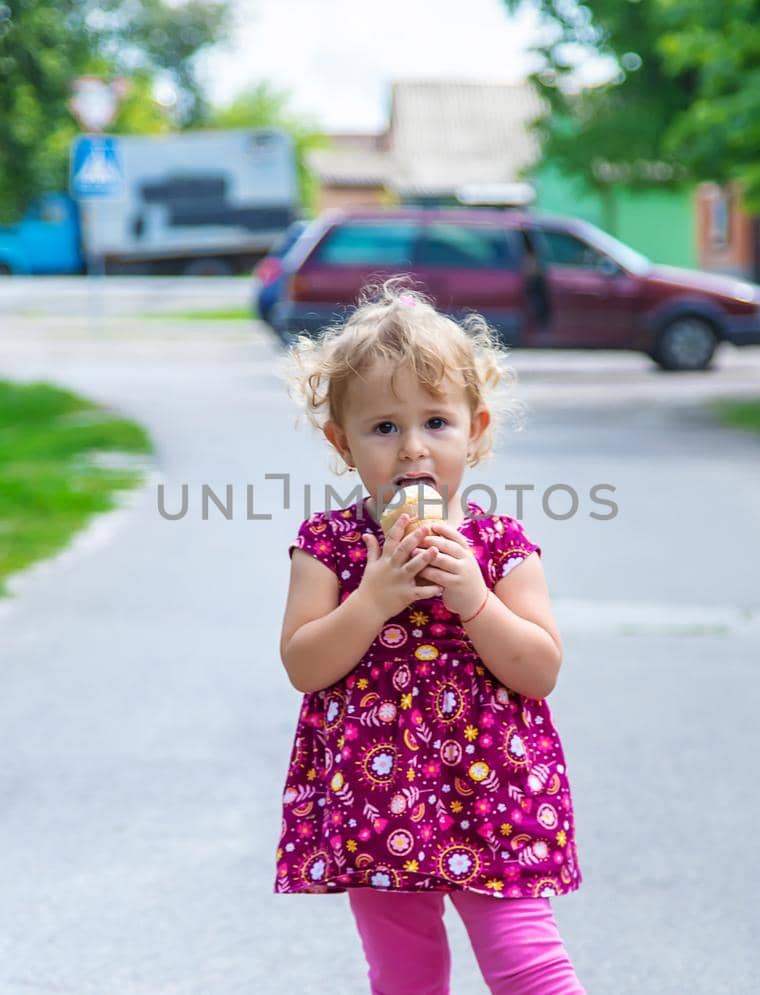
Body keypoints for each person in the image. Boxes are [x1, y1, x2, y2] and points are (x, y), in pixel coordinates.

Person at [276, 278, 586, 993]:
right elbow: (303, 662)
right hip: (376, 797)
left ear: (474, 430)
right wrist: (374, 598)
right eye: (383, 428)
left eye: (435, 423)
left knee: (528, 962)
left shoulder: (502, 547)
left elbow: (538, 669)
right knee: (405, 971)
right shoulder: (329, 546)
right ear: (342, 442)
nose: (412, 449)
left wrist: (473, 595)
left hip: (494, 791)